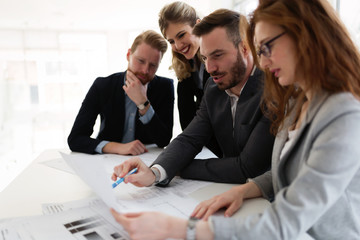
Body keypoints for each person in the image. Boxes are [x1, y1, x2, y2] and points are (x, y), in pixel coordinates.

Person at [111, 0, 360, 239]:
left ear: (302, 36)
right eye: (206, 58)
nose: (262, 60)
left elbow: (284, 220)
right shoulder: (300, 101)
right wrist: (246, 189)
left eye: (266, 48)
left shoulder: (343, 113)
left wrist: (182, 229)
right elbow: (294, 172)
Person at [112, 9, 274, 186]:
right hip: (229, 190)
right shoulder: (213, 88)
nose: (210, 68)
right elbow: (190, 138)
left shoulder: (273, 88)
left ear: (245, 47)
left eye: (217, 55)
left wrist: (178, 167)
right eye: (205, 58)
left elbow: (247, 168)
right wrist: (155, 172)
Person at [68, 30, 174, 155]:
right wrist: (118, 147)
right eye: (140, 61)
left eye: (153, 65)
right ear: (128, 55)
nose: (145, 70)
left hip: (144, 158)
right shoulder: (102, 85)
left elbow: (164, 140)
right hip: (107, 159)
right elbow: (75, 139)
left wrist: (142, 103)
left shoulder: (165, 87)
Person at [158, 1, 222, 157]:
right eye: (171, 41)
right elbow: (187, 124)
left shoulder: (220, 59)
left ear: (198, 26)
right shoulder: (186, 69)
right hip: (209, 150)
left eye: (181, 35)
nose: (178, 45)